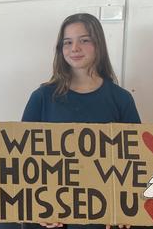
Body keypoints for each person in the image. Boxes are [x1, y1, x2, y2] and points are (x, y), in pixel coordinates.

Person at [21, 13, 140, 229]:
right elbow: (22, 160)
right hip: (54, 218)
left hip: (105, 220)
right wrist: (35, 209)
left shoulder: (121, 99)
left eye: (84, 40)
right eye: (67, 42)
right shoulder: (42, 97)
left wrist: (126, 210)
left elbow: (136, 163)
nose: (74, 48)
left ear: (98, 45)